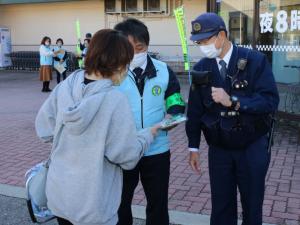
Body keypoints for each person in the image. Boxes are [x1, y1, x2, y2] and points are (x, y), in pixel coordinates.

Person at [35, 29, 161, 225]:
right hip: (94, 203)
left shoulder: (67, 85)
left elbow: (44, 129)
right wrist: (147, 135)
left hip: (60, 193)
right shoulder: (115, 100)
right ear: (118, 64)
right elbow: (125, 156)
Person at [186, 13, 279, 225]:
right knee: (221, 207)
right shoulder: (202, 68)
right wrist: (193, 146)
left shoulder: (255, 61)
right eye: (198, 42)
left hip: (251, 145)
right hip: (219, 148)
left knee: (252, 205)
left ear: (221, 35)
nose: (202, 46)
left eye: (206, 41)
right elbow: (195, 111)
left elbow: (270, 101)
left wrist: (234, 101)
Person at [115, 18, 186, 225]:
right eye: (129, 48)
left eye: (140, 47)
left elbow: (175, 99)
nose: (135, 53)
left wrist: (174, 114)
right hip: (124, 150)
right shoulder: (113, 72)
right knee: (120, 203)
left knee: (158, 203)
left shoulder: (163, 70)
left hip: (157, 149)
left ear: (147, 45)